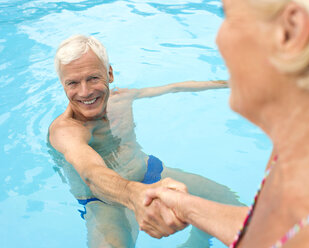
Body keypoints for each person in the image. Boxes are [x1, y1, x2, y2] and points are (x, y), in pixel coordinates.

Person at [144, 0, 309, 247]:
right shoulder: (301, 149)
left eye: (227, 15)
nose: (218, 40)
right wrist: (189, 208)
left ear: (291, 31)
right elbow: (275, 229)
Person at [48, 34, 244, 248]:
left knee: (225, 199)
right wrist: (135, 195)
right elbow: (91, 173)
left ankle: (197, 242)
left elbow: (176, 87)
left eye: (93, 78)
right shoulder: (65, 131)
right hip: (103, 201)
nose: (85, 92)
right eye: (73, 83)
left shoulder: (121, 99)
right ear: (62, 84)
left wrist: (229, 84)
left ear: (110, 73)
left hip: (150, 172)